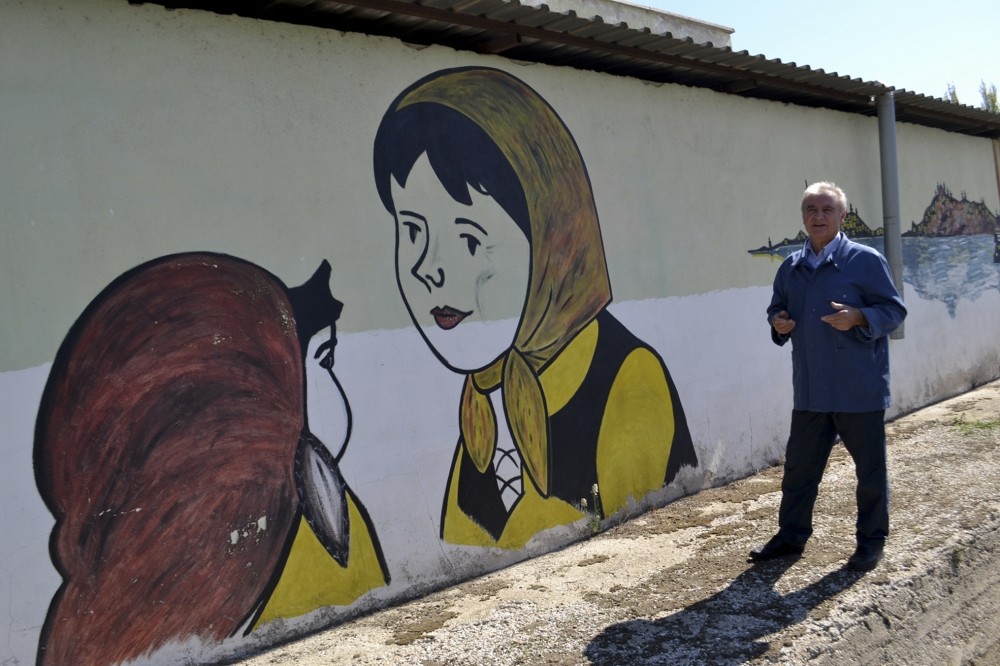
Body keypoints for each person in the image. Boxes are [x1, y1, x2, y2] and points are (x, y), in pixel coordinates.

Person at [372, 67, 697, 549]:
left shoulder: (627, 378)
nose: (428, 268)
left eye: (468, 238)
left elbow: (633, 558)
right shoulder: (483, 398)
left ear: (550, 242)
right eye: (413, 231)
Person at [750, 181, 907, 572]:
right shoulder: (791, 267)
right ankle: (791, 536)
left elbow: (894, 311)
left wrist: (859, 317)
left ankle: (871, 542)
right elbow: (777, 309)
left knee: (870, 473)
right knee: (799, 470)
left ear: (841, 216)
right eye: (811, 210)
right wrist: (779, 323)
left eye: (826, 210)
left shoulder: (866, 260)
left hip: (859, 387)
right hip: (811, 388)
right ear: (803, 217)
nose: (818, 216)